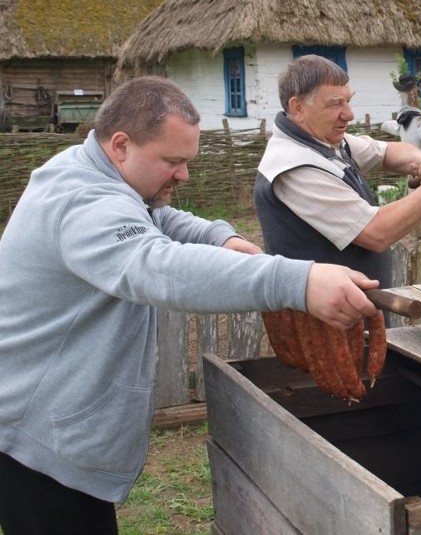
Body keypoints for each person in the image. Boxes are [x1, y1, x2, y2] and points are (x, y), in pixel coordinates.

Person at [0, 76, 379, 535]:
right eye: (173, 161)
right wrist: (296, 280)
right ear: (121, 145)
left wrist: (222, 236)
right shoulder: (82, 201)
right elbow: (154, 264)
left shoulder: (92, 168)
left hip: (48, 429)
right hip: (37, 447)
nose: (184, 175)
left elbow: (156, 216)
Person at [254, 55, 421, 288]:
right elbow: (376, 231)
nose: (349, 114)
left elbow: (386, 151)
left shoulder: (326, 141)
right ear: (297, 108)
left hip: (353, 314)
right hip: (320, 319)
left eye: (348, 101)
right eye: (334, 104)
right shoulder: (294, 166)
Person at [380, 106, 421, 243]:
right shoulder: (420, 128)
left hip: (412, 171)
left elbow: (385, 125)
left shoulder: (400, 127)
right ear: (416, 118)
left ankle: (418, 236)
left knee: (413, 205)